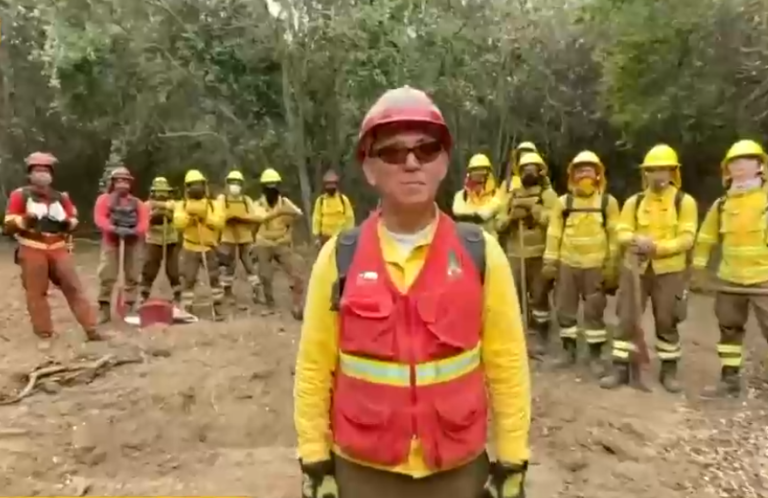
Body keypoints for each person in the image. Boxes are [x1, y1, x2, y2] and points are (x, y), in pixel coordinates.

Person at [293, 86, 530, 498]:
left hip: (456, 470)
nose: (411, 162)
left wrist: (511, 459)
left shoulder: (479, 253)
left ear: (443, 163)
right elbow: (315, 367)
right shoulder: (340, 257)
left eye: (426, 149)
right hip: (363, 471)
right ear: (369, 169)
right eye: (392, 152)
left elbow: (506, 362)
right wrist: (314, 461)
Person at [601, 144, 697, 393]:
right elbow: (620, 231)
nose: (658, 175)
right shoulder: (635, 202)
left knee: (667, 320)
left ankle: (669, 370)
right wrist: (634, 239)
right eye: (652, 170)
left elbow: (687, 237)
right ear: (645, 174)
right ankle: (621, 368)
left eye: (663, 169)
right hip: (635, 269)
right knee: (627, 318)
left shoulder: (684, 202)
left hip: (669, 271)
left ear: (673, 172)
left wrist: (657, 248)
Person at [693, 140, 768, 397]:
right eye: (734, 163)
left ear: (760, 166)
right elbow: (705, 238)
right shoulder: (722, 204)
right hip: (730, 280)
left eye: (746, 162)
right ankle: (729, 380)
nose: (740, 168)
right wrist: (699, 269)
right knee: (729, 331)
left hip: (764, 280)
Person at [3, 152, 101, 341]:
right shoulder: (20, 195)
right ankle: (44, 332)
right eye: (37, 170)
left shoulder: (60, 197)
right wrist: (26, 220)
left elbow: (73, 218)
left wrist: (67, 223)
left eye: (46, 170)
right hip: (31, 244)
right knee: (36, 291)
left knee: (73, 286)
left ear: (52, 174)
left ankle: (91, 327)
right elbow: (8, 223)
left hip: (57, 245)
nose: (42, 174)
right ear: (30, 174)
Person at [543, 150, 620, 374]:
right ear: (572, 175)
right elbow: (554, 233)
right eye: (579, 169)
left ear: (598, 174)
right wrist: (550, 262)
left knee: (594, 312)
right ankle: (569, 351)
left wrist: (612, 265)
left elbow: (614, 235)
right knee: (565, 310)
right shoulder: (563, 202)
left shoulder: (608, 202)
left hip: (596, 266)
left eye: (589, 169)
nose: (584, 173)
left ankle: (595, 357)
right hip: (568, 264)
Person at [495, 151, 558, 355]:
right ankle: (516, 334)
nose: (528, 172)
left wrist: (534, 211)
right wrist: (512, 217)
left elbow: (554, 221)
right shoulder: (512, 195)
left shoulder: (548, 195)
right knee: (514, 296)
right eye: (524, 169)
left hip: (539, 253)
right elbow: (498, 223)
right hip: (516, 253)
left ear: (540, 171)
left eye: (532, 168)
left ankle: (539, 333)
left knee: (539, 297)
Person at [93, 166, 149, 323]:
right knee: (107, 275)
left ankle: (130, 307)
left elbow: (144, 222)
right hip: (111, 242)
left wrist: (135, 231)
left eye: (126, 181)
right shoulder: (104, 200)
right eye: (119, 181)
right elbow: (99, 218)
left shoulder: (137, 203)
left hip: (132, 242)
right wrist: (114, 229)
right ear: (113, 182)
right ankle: (104, 309)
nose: (122, 184)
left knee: (132, 275)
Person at [173, 169, 226, 320]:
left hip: (209, 247)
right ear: (186, 187)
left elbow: (220, 223)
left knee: (214, 278)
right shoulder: (182, 205)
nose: (196, 187)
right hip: (190, 247)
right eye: (192, 185)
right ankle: (186, 308)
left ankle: (218, 306)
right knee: (187, 279)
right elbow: (178, 223)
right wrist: (190, 218)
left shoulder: (214, 205)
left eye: (198, 184)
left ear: (204, 186)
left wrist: (204, 218)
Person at [253, 168, 304, 318]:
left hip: (282, 242)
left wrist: (289, 220)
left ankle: (297, 304)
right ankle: (270, 305)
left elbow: (298, 213)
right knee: (265, 275)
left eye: (274, 185)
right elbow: (260, 219)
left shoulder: (284, 201)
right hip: (264, 242)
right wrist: (279, 213)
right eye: (268, 186)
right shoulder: (258, 204)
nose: (271, 189)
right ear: (263, 187)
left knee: (296, 273)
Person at [217, 170, 264, 305]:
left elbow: (257, 216)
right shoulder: (222, 199)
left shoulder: (246, 200)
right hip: (227, 237)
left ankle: (257, 292)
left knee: (250, 266)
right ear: (227, 184)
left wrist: (242, 218)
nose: (235, 185)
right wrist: (228, 217)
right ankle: (227, 293)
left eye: (237, 183)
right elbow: (218, 216)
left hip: (245, 237)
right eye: (232, 183)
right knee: (228, 267)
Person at [140, 176, 181, 304]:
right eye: (159, 191)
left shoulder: (175, 205)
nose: (161, 194)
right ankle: (144, 295)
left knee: (173, 270)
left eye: (163, 192)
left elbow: (179, 215)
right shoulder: (146, 205)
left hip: (170, 241)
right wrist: (154, 216)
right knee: (149, 269)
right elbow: (144, 219)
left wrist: (168, 214)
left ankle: (177, 296)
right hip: (153, 240)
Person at [451, 153, 502, 236]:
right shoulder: (461, 195)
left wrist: (471, 214)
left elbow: (486, 214)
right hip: (465, 240)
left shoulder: (496, 194)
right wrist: (476, 214)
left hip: (489, 241)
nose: (478, 177)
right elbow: (457, 210)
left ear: (488, 174)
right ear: (469, 174)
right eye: (475, 172)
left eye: (482, 172)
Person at [311, 169, 355, 247]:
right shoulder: (320, 201)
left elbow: (349, 218)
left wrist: (349, 235)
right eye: (328, 185)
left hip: (341, 238)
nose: (330, 187)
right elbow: (316, 219)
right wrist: (316, 237)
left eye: (332, 184)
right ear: (324, 186)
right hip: (325, 239)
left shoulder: (343, 200)